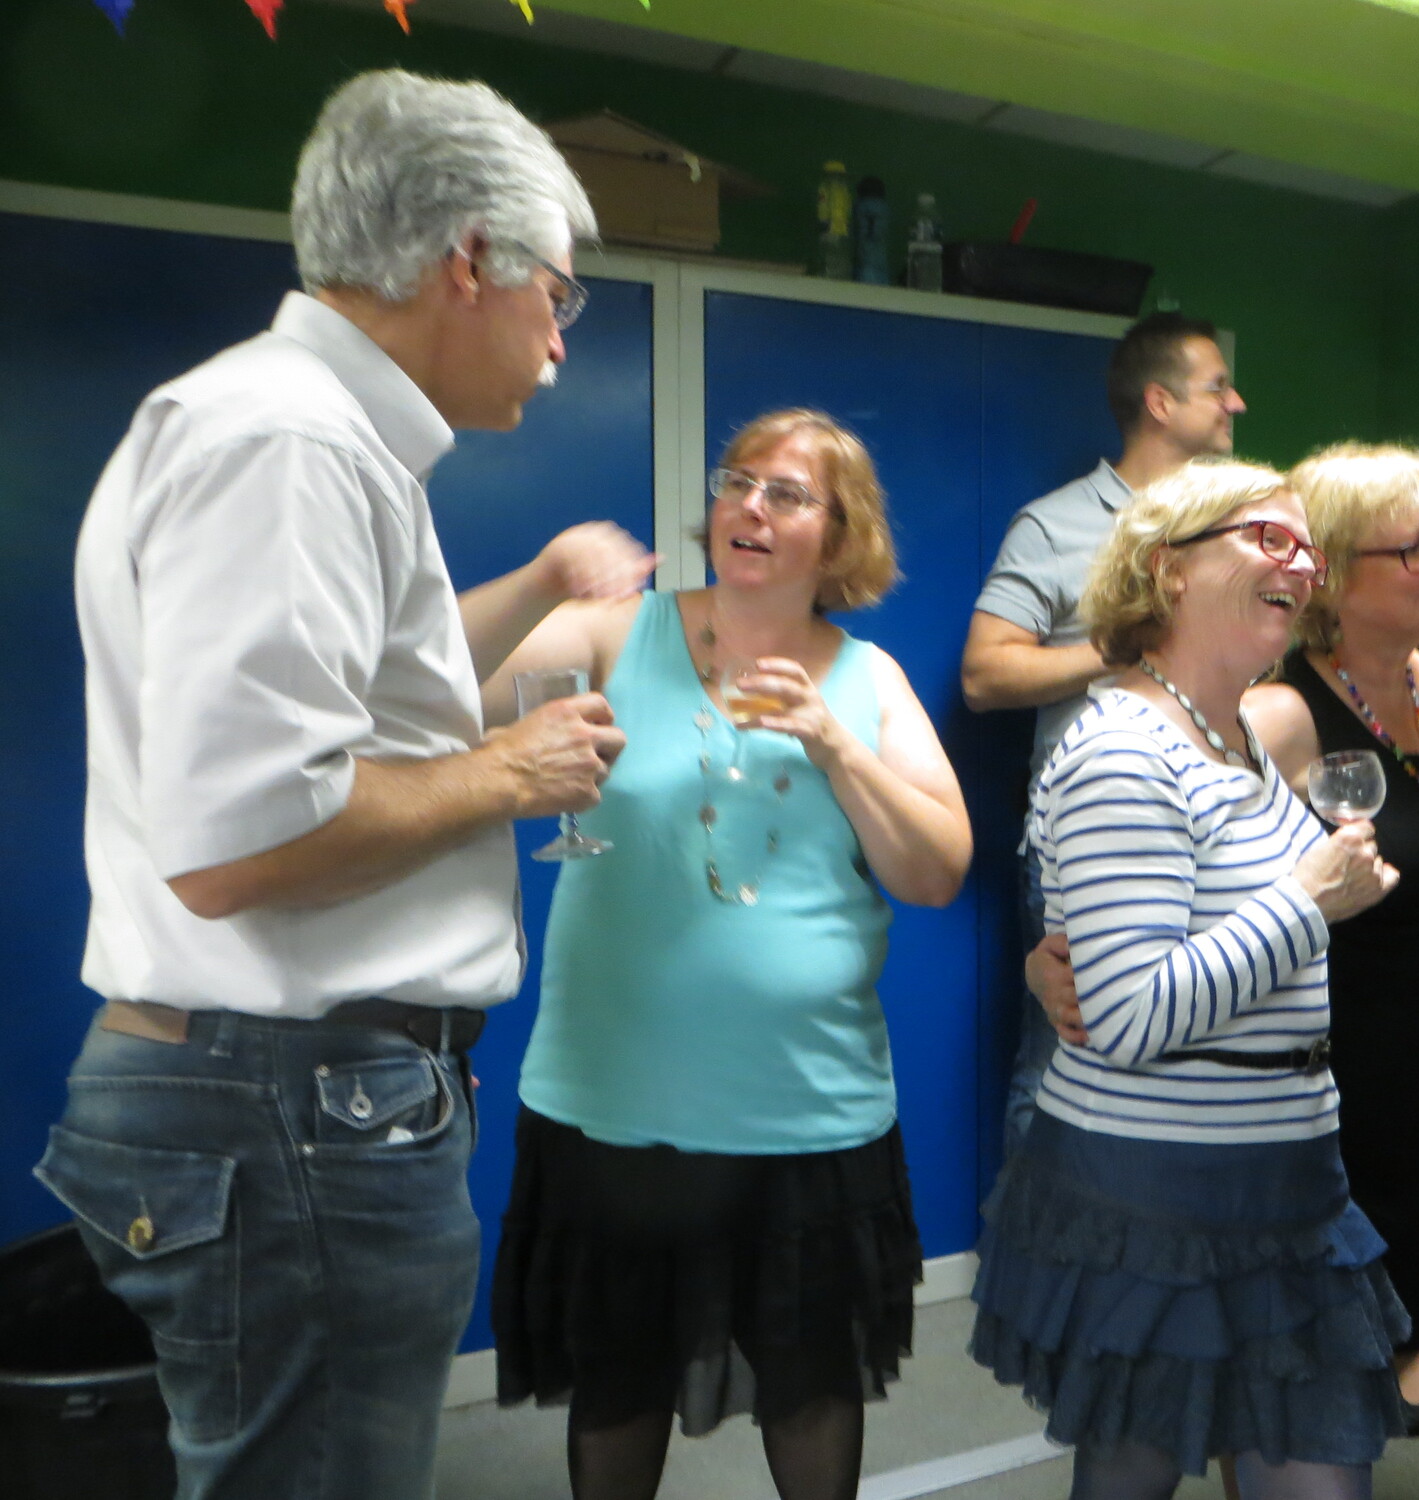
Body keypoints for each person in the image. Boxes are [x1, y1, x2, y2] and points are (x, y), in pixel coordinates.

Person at [33, 70, 648, 1500]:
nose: (562, 339)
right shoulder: (289, 444)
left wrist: (535, 597)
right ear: (467, 261)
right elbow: (243, 844)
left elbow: (376, 695)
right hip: (288, 1099)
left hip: (286, 1092)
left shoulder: (296, 430)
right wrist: (506, 774)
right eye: (558, 293)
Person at [485, 408, 971, 1500]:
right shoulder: (616, 633)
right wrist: (538, 583)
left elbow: (936, 871)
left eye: (786, 493)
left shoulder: (871, 680)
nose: (749, 505)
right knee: (617, 1390)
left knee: (810, 1393)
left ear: (840, 534)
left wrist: (836, 746)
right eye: (736, 481)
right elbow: (435, 697)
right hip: (615, 1100)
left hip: (804, 1107)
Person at [972, 459, 1407, 1500]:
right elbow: (1129, 1018)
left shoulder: (1237, 733)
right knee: (1136, 1473)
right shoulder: (1123, 750)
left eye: (1308, 551)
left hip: (1283, 1181)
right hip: (1158, 1198)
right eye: (1267, 538)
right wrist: (1309, 902)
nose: (1300, 566)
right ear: (1168, 569)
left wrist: (1315, 901)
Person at [1241, 444, 1419, 1473]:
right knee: (1292, 1371)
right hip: (1308, 1095)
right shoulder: (1278, 715)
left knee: (1372, 1351)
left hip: (1404, 1085)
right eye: (1416, 548)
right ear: (1330, 574)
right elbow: (1224, 919)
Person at [961, 312, 1247, 1153]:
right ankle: (1032, 1242)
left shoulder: (1242, 528)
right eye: (1217, 387)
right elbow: (984, 675)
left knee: (1194, 1059)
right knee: (1064, 1054)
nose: (1237, 401)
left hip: (1223, 830)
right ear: (1160, 403)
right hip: (1092, 836)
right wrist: (1121, 647)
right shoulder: (1056, 525)